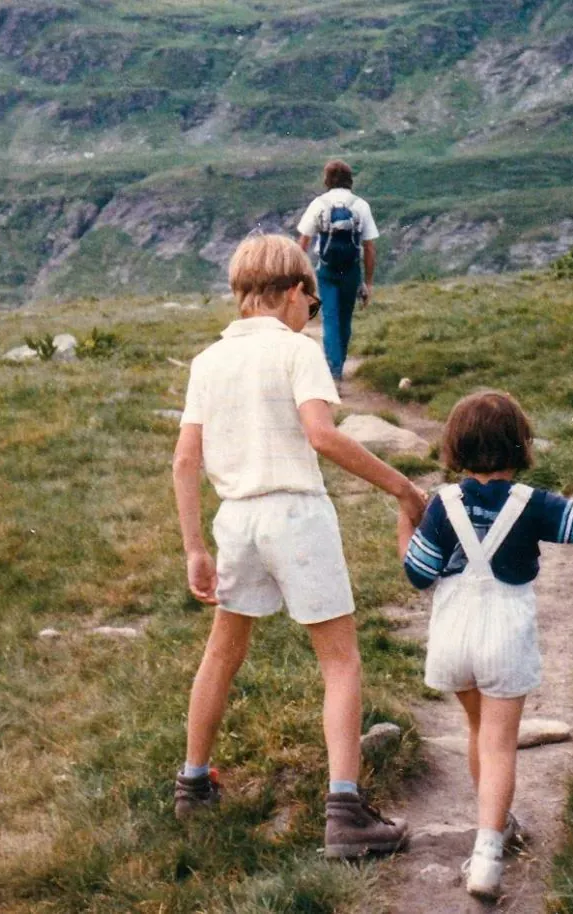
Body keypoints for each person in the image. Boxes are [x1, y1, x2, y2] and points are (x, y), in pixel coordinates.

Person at [171, 233, 427, 858]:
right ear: (292, 293)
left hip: (236, 520)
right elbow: (322, 435)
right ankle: (345, 813)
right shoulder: (297, 351)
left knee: (222, 652)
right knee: (338, 660)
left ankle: (193, 783)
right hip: (296, 515)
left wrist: (193, 549)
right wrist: (403, 488)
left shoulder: (207, 362)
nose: (309, 315)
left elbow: (184, 460)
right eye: (310, 306)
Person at [399, 391, 573, 900]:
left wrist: (406, 519)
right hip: (504, 632)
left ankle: (497, 822)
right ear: (520, 446)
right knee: (500, 742)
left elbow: (417, 574)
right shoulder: (534, 504)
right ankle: (488, 852)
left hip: (453, 634)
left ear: (454, 448)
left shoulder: (442, 505)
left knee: (478, 730)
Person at [297, 159, 379, 383]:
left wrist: (298, 274)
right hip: (351, 272)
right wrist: (368, 282)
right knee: (345, 319)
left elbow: (303, 241)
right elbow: (370, 247)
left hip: (327, 271)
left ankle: (333, 371)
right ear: (349, 179)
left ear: (327, 179)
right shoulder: (360, 205)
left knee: (330, 319)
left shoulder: (319, 204)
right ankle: (339, 363)